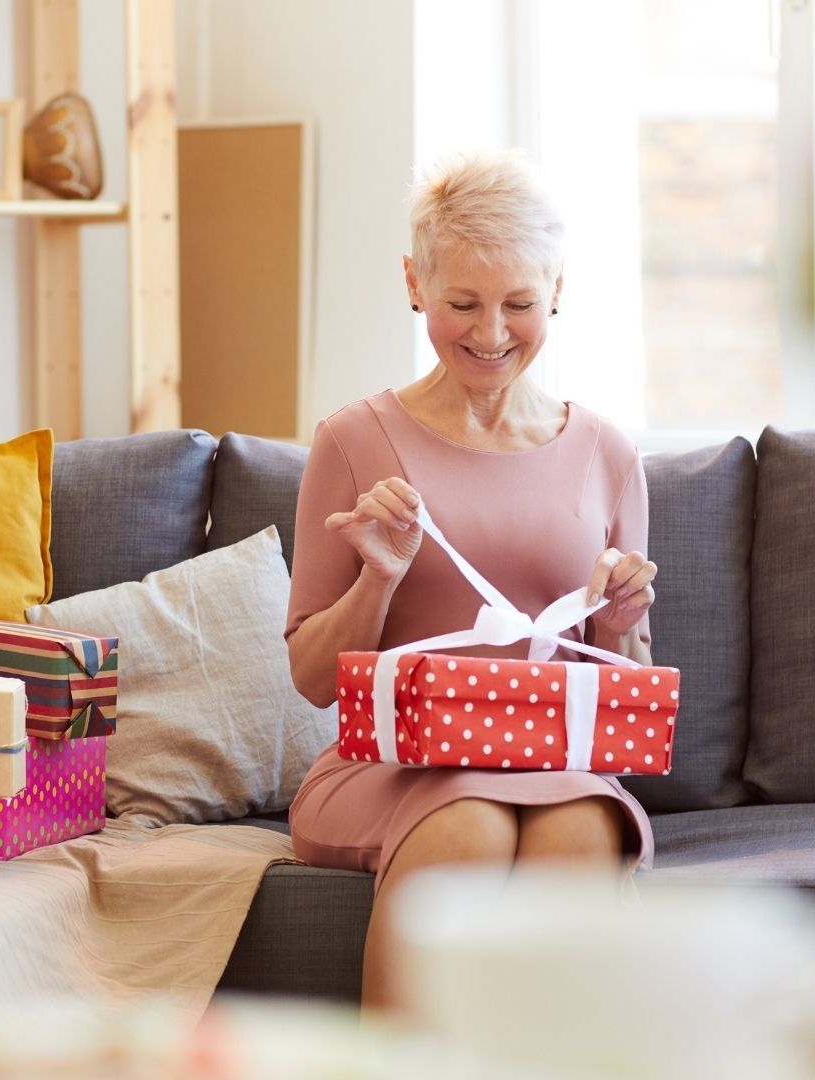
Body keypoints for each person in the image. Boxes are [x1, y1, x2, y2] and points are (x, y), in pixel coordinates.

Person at [284, 150, 659, 1010]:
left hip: (553, 764)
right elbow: (310, 680)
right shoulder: (352, 441)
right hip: (389, 767)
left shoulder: (606, 454)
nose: (491, 333)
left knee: (582, 830)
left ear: (557, 288)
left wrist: (623, 618)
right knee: (466, 825)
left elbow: (627, 686)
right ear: (415, 284)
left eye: (520, 304)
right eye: (463, 303)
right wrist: (377, 580)